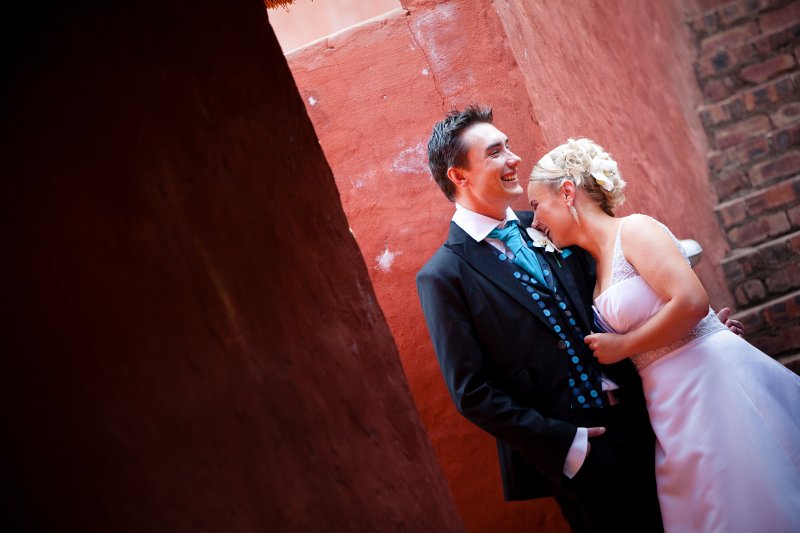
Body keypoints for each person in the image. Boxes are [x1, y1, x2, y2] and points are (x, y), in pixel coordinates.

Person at [527, 137, 800, 532]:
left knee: (753, 497)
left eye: (536, 204)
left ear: (568, 192)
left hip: (711, 385)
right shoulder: (593, 268)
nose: (534, 221)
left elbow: (691, 301)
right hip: (668, 405)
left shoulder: (634, 230)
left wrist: (624, 345)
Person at [416, 106, 669, 532]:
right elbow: (472, 391)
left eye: (508, 146)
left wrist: (688, 333)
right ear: (459, 176)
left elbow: (615, 297)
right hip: (582, 452)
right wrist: (566, 444)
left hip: (648, 414)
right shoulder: (444, 276)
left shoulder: (551, 224)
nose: (514, 158)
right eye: (495, 152)